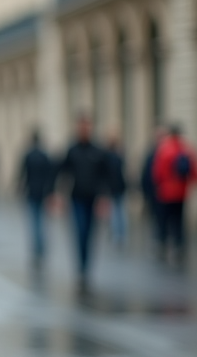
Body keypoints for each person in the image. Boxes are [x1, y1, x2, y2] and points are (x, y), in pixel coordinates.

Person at [58, 115, 110, 293]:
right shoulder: (72, 150)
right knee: (79, 232)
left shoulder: (98, 151)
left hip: (93, 199)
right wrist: (59, 195)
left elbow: (105, 176)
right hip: (77, 198)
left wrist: (104, 198)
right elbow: (63, 172)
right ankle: (81, 268)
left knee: (90, 234)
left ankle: (87, 268)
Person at [152, 123, 197, 263]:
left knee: (164, 220)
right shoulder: (186, 149)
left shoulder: (164, 149)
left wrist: (158, 186)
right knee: (179, 220)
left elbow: (157, 172)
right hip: (181, 192)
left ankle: (163, 242)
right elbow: (195, 171)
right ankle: (179, 245)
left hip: (166, 192)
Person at [19, 131, 55, 266]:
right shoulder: (45, 156)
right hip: (42, 192)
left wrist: (20, 188)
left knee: (34, 221)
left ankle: (36, 247)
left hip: (32, 192)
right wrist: (50, 191)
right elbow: (50, 174)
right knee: (41, 220)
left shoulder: (28, 155)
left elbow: (23, 173)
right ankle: (41, 246)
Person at [105, 135, 128, 245]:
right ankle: (120, 233)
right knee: (119, 211)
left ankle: (117, 234)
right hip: (119, 187)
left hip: (114, 188)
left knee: (116, 211)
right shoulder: (119, 156)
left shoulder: (110, 157)